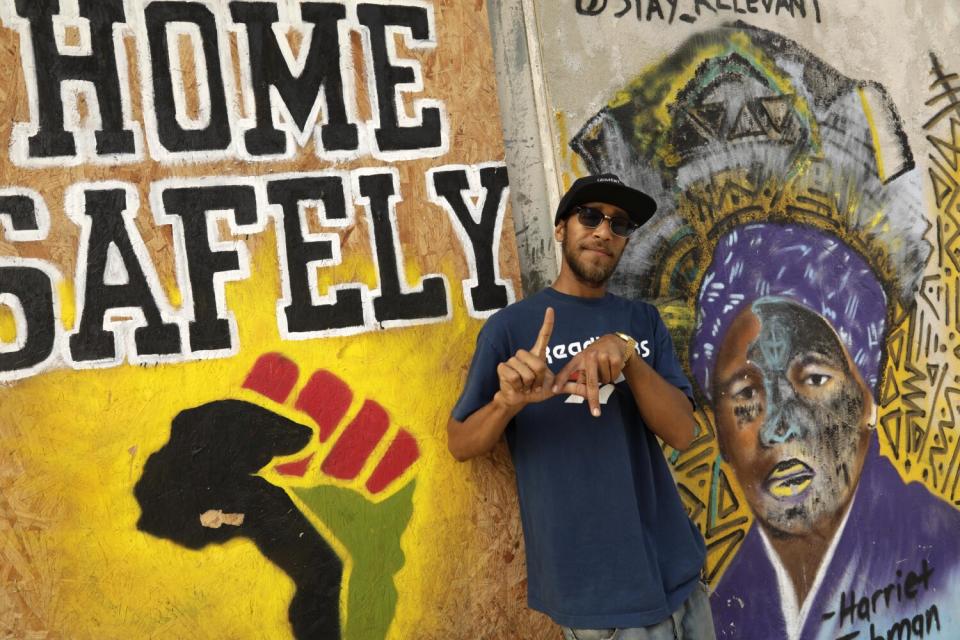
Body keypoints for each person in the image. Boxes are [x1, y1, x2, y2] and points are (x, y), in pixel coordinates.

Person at [447, 174, 716, 640]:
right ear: (560, 229)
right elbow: (460, 442)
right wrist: (506, 405)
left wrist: (627, 355)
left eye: (619, 224)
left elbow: (682, 433)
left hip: (676, 574)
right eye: (589, 216)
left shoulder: (641, 321)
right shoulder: (511, 330)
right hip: (597, 597)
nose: (603, 232)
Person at [691, 223, 960, 640]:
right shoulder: (726, 609)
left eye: (814, 379)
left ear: (867, 397)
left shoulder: (947, 562)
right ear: (719, 434)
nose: (779, 426)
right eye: (746, 393)